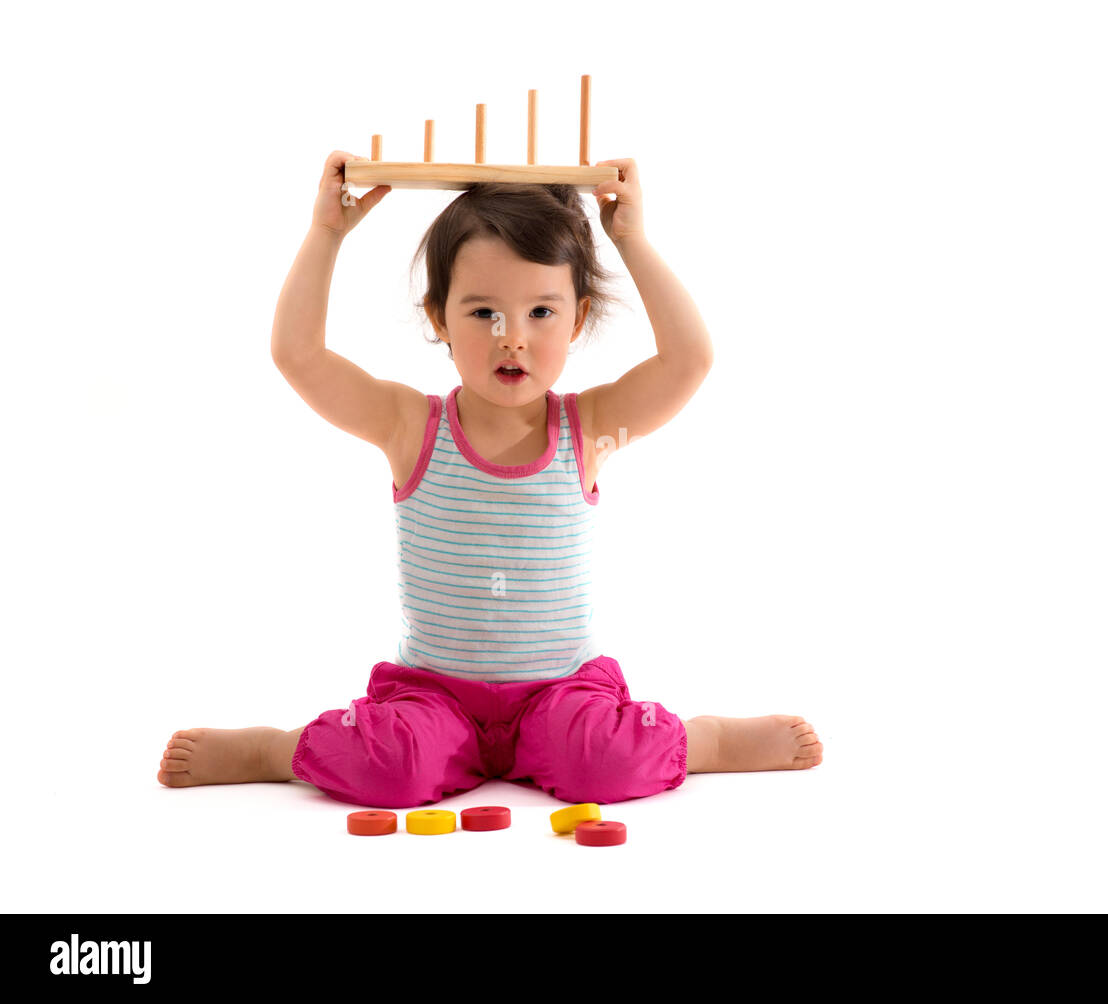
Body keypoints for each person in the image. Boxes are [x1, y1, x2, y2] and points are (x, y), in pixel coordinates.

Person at [157, 150, 822, 807]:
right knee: (395, 769)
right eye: (483, 314)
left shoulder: (589, 427)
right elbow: (297, 355)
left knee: (609, 762)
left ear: (578, 319)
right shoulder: (409, 426)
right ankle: (276, 750)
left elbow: (689, 359)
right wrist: (326, 234)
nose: (513, 339)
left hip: (560, 692)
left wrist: (632, 240)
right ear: (439, 317)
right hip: (434, 696)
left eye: (541, 313)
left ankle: (703, 742)